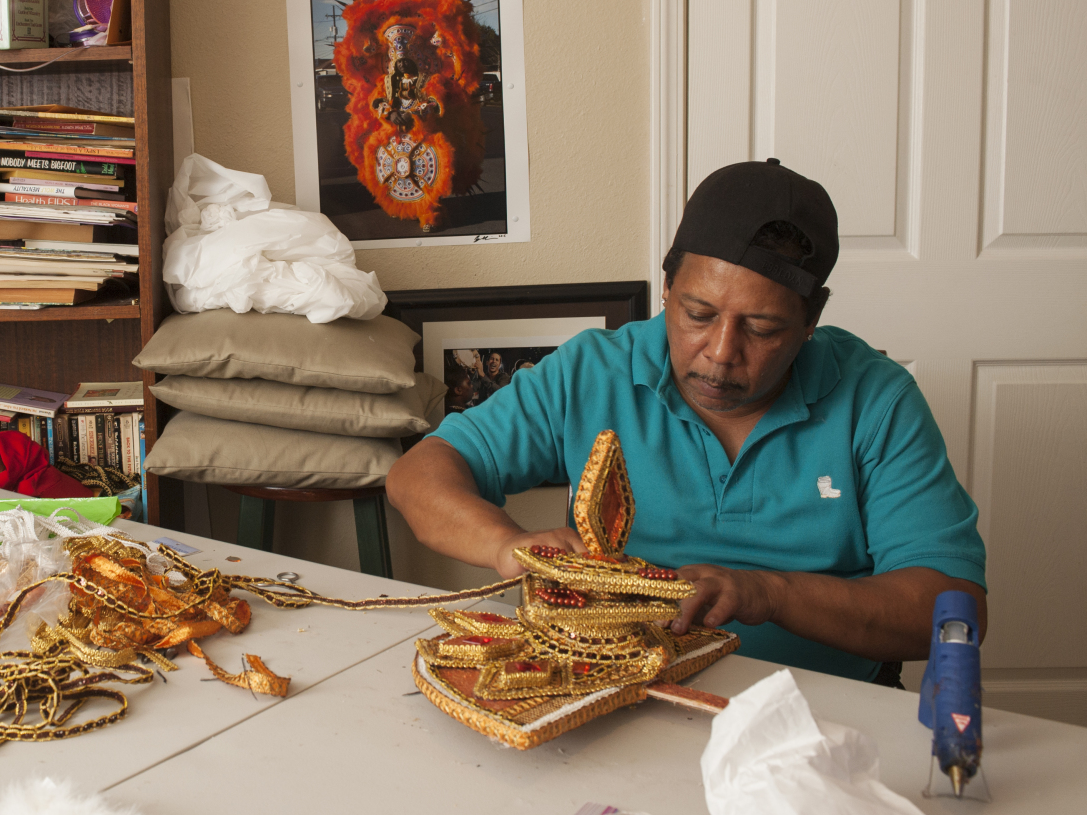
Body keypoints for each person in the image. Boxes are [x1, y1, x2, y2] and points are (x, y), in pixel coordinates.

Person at [386, 159, 987, 685]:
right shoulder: (594, 372)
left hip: (820, 709)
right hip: (617, 694)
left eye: (764, 328)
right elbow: (417, 477)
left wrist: (766, 593)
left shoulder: (875, 401)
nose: (722, 352)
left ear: (811, 321)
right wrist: (507, 545)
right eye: (699, 313)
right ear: (669, 288)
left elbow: (951, 608)